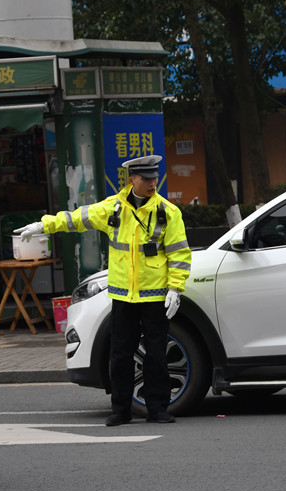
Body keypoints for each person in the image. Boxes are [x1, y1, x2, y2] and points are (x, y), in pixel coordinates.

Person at [14, 155, 191, 426]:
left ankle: (157, 409)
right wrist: (43, 225)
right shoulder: (114, 208)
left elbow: (179, 253)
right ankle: (120, 410)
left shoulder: (168, 212)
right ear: (131, 179)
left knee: (156, 354)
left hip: (155, 295)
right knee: (120, 354)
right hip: (122, 297)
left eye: (155, 178)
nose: (153, 183)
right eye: (146, 178)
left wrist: (175, 289)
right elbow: (76, 219)